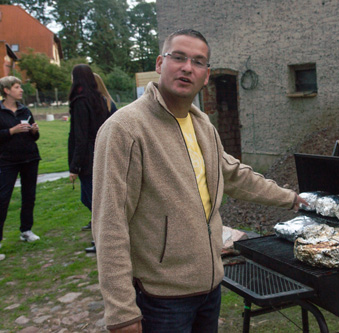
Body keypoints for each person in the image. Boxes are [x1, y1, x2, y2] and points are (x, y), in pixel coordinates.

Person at [92, 29, 308, 332]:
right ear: (159, 63)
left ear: (206, 76)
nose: (187, 67)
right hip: (160, 298)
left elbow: (234, 175)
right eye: (178, 57)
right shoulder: (125, 129)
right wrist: (121, 311)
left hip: (209, 288)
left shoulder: (203, 125)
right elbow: (109, 223)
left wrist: (292, 199)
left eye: (198, 62)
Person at [67, 65, 109, 251]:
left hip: (88, 157)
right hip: (100, 150)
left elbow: (80, 136)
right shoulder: (97, 99)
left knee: (91, 198)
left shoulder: (81, 101)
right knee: (94, 197)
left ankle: (102, 239)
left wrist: (74, 166)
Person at [0, 76, 41, 259]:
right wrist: (11, 131)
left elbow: (35, 137)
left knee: (29, 196)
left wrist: (34, 131)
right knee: (3, 198)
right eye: (17, 87)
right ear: (7, 90)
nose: (21, 90)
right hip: (7, 160)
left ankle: (26, 230)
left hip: (30, 158)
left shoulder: (24, 109)